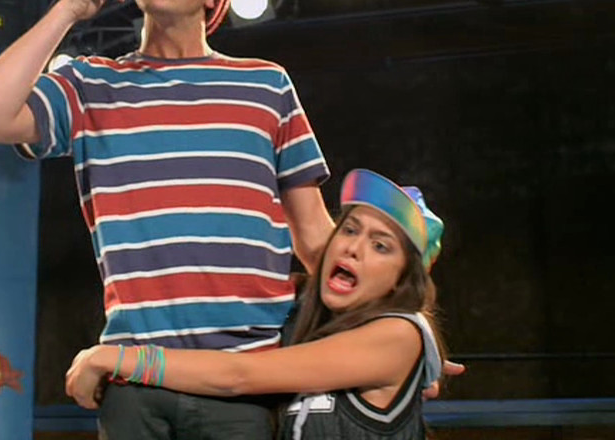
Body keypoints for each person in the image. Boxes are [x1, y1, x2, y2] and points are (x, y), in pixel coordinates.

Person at [0, 0, 335, 439]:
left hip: (246, 376)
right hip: (135, 377)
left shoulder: (265, 85)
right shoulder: (91, 82)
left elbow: (315, 239)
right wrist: (69, 8)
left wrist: (397, 324)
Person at [67, 168, 451, 440]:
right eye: (349, 229)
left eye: (380, 246)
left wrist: (115, 358)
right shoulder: (302, 313)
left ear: (401, 279)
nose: (353, 247)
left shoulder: (399, 334)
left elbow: (239, 375)